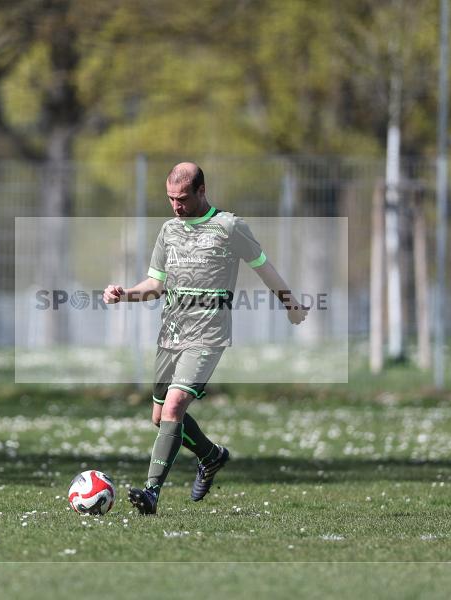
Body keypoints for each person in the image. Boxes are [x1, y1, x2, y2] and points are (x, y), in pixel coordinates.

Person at [103, 162, 308, 515]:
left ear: (201, 191)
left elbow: (264, 267)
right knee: (159, 417)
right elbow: (155, 285)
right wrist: (125, 294)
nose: (176, 206)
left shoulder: (229, 227)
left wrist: (290, 304)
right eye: (170, 199)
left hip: (208, 334)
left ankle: (151, 492)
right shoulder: (168, 230)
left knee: (174, 407)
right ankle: (211, 456)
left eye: (182, 198)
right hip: (171, 333)